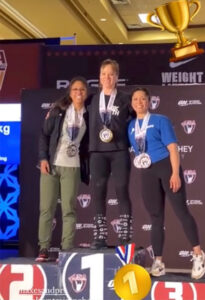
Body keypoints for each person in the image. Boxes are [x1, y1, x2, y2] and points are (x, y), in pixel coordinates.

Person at [128, 87, 205, 279]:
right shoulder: (130, 126)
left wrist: (175, 173)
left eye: (143, 99)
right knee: (156, 218)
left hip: (166, 168)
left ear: (149, 102)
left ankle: (198, 255)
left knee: (181, 212)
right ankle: (159, 262)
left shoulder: (160, 120)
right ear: (132, 103)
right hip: (147, 172)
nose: (139, 102)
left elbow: (173, 148)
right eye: (136, 99)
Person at [36, 76, 89, 262]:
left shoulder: (88, 113)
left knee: (69, 210)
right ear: (70, 92)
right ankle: (43, 248)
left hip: (72, 167)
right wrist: (43, 158)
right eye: (75, 89)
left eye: (82, 90)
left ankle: (66, 249)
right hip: (52, 164)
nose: (79, 93)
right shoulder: (58, 110)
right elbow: (44, 134)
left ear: (86, 93)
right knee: (46, 209)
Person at [88, 59, 132, 249]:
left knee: (122, 190)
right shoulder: (92, 99)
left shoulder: (125, 98)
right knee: (98, 193)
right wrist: (55, 109)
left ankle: (124, 236)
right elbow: (72, 102)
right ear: (99, 77)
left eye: (111, 74)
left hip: (119, 150)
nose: (107, 77)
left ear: (117, 77)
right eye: (104, 74)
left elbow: (139, 116)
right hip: (98, 151)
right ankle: (100, 237)